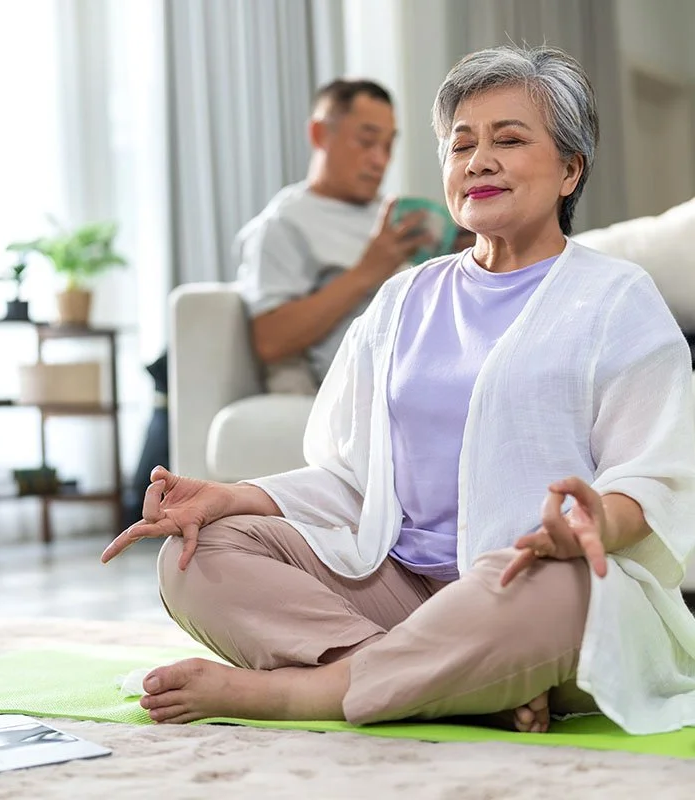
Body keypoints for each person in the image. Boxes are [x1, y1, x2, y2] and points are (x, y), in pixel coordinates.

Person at [101, 45, 695, 736]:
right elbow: (353, 479)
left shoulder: (616, 298)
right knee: (196, 555)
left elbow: (656, 478)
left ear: (570, 169)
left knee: (567, 588)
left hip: (522, 588)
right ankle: (447, 683)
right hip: (395, 588)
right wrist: (231, 497)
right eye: (461, 145)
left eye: (508, 140)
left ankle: (303, 694)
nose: (478, 162)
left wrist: (592, 526)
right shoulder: (403, 298)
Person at [235, 78, 463, 392]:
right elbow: (271, 341)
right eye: (366, 141)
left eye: (388, 146)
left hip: (438, 360)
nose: (380, 160)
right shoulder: (283, 224)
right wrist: (367, 272)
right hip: (376, 385)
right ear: (319, 134)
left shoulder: (393, 212)